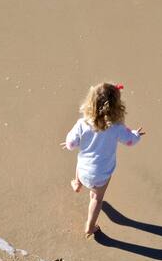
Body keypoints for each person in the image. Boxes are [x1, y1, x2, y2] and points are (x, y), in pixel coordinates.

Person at [60, 82, 145, 237]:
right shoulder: (117, 127)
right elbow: (130, 141)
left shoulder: (82, 123)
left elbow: (71, 144)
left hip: (83, 170)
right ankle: (90, 226)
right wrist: (136, 134)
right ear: (117, 107)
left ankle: (77, 184)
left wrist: (68, 144)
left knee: (81, 158)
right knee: (96, 199)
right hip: (101, 174)